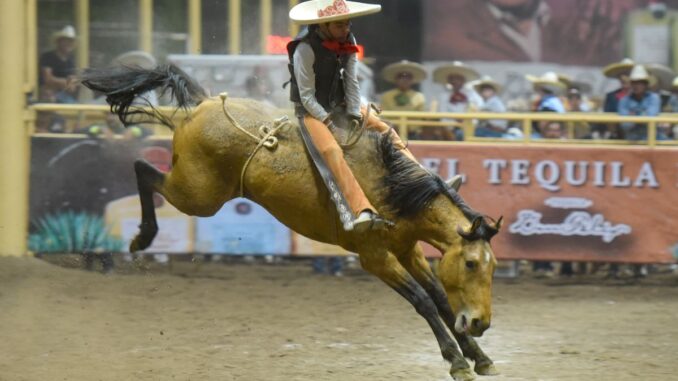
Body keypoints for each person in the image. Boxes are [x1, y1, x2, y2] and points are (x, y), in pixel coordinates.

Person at [287, 0, 419, 232]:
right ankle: (361, 210)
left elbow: (351, 80)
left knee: (383, 128)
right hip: (311, 113)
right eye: (340, 25)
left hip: (340, 105)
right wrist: (330, 123)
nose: (346, 29)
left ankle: (420, 174)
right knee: (332, 150)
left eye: (347, 24)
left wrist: (354, 114)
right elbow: (307, 97)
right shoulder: (304, 49)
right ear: (324, 25)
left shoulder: (349, 40)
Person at [434, 61, 483, 140]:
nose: (454, 81)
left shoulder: (472, 94)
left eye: (457, 78)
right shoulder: (443, 96)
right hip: (448, 128)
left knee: (461, 134)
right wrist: (449, 126)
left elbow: (479, 109)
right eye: (452, 78)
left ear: (463, 80)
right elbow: (442, 114)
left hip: (467, 127)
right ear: (448, 81)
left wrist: (465, 122)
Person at [380, 60, 427, 140]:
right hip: (391, 133)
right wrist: (395, 126)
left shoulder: (419, 97)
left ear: (412, 80)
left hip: (412, 134)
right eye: (401, 76)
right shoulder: (386, 96)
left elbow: (420, 118)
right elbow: (384, 115)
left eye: (408, 77)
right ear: (395, 79)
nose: (404, 79)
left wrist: (409, 127)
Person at [618, 65, 663, 141]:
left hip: (653, 140)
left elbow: (651, 118)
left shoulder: (654, 98)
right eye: (634, 83)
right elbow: (625, 125)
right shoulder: (624, 101)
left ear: (646, 85)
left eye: (639, 83)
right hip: (633, 140)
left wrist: (632, 117)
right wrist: (643, 115)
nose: (636, 86)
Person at [39, 25, 79, 103]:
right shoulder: (48, 57)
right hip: (49, 96)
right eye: (66, 40)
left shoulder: (71, 60)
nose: (69, 43)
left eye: (71, 41)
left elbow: (72, 84)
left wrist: (71, 84)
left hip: (66, 97)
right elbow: (47, 79)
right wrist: (65, 82)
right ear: (59, 41)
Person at [598, 58, 634, 139]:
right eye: (622, 75)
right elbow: (606, 117)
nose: (624, 78)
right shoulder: (611, 96)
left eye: (628, 74)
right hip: (616, 137)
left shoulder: (641, 96)